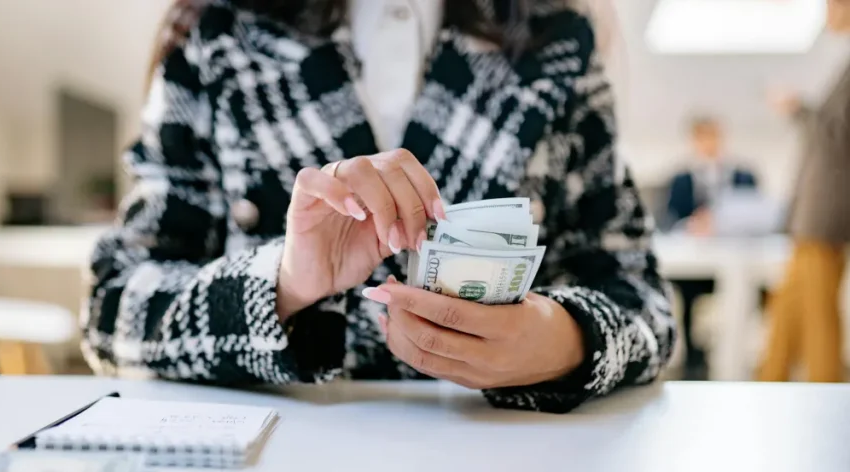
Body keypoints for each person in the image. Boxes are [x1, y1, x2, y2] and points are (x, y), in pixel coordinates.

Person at [81, 0, 676, 414]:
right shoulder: (218, 33)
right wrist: (283, 285)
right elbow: (111, 312)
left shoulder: (557, 41)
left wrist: (562, 344)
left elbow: (646, 304)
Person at [758, 0, 850, 383]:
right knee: (787, 310)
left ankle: (828, 394)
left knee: (818, 317)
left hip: (826, 213)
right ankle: (767, 386)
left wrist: (798, 109)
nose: (827, 12)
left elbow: (839, 135)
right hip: (811, 212)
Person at [665, 116, 758, 380]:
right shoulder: (681, 180)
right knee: (686, 294)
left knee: (743, 292)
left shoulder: (744, 176)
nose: (709, 144)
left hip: (736, 260)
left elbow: (755, 215)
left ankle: (734, 358)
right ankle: (694, 358)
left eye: (714, 136)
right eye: (703, 138)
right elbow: (670, 218)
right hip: (696, 264)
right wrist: (693, 224)